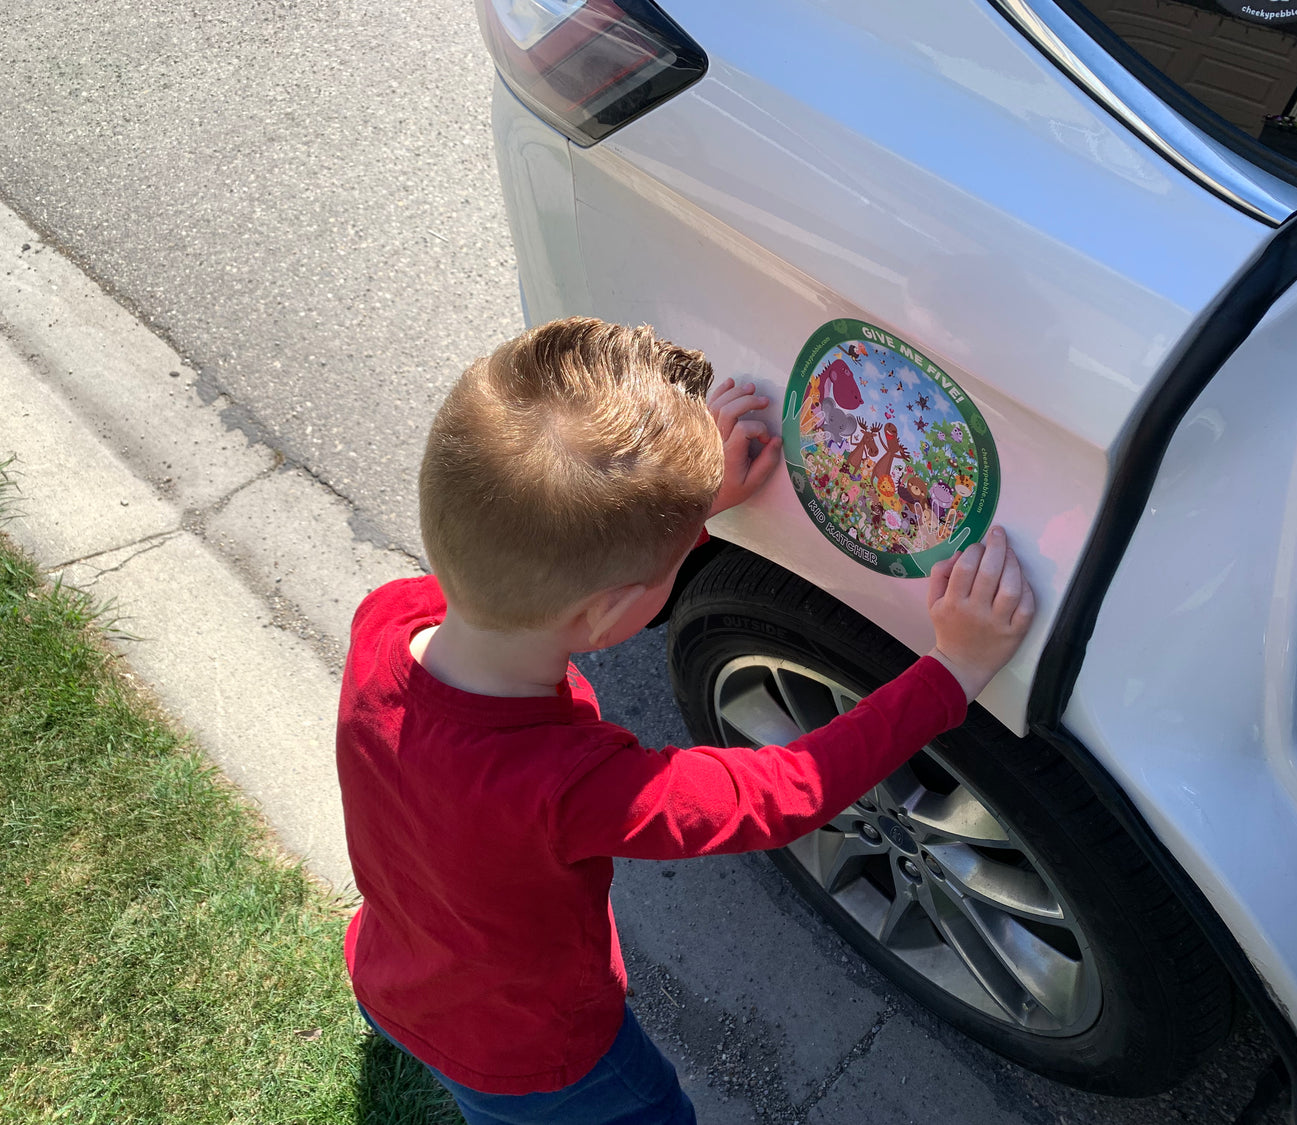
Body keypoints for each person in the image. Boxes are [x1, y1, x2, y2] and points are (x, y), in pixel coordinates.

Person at [336, 317, 1035, 1125]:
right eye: (674, 564)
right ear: (610, 614)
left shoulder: (389, 621)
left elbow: (559, 583)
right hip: (543, 1062)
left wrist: (677, 517)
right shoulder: (568, 785)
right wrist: (954, 669)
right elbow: (786, 792)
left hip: (394, 971)